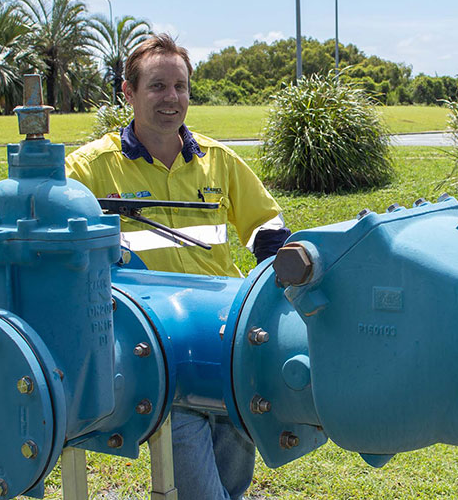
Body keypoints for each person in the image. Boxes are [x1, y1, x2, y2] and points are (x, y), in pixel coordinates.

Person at [66, 33, 290, 500]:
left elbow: (267, 228)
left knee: (234, 472)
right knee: (197, 485)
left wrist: (277, 288)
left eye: (181, 87)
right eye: (157, 86)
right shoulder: (90, 169)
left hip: (227, 339)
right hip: (161, 348)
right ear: (127, 93)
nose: (172, 99)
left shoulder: (219, 162)